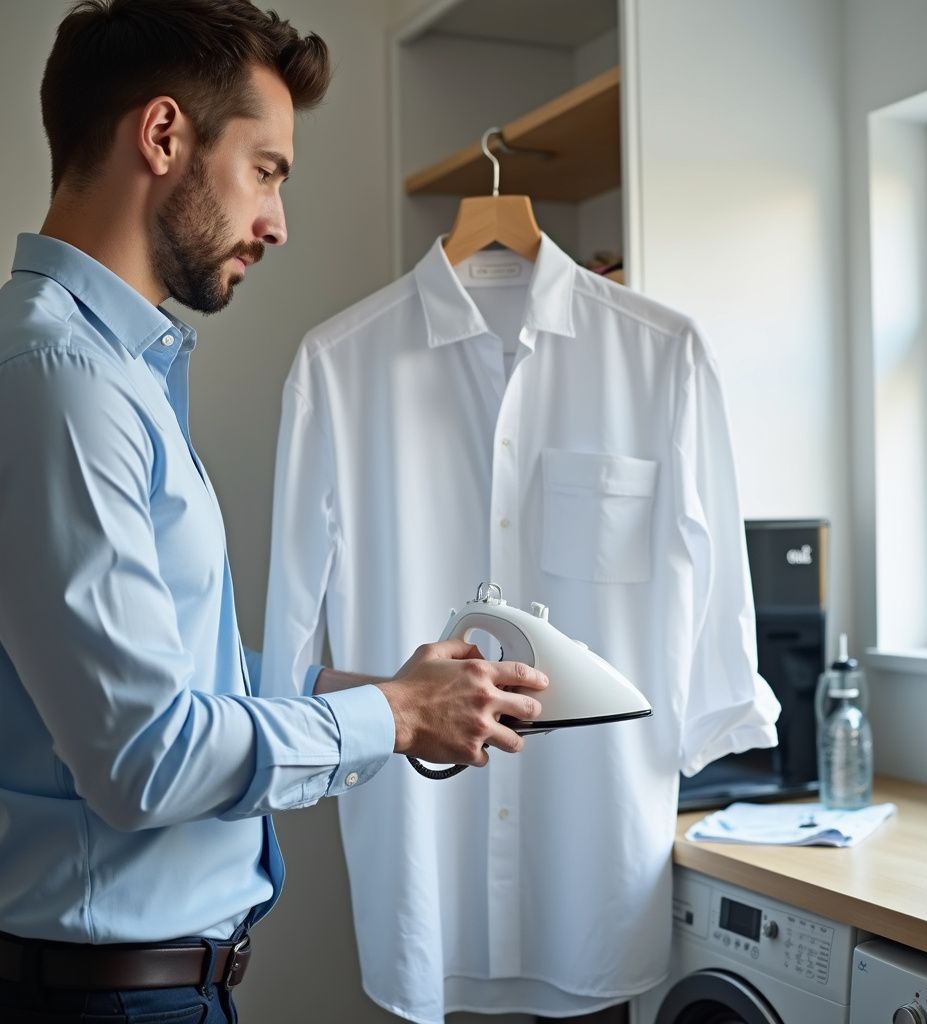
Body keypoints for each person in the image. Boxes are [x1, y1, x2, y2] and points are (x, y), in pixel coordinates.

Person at [0, 2, 548, 1021]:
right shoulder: (60, 380)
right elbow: (143, 758)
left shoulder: (108, 374)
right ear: (163, 136)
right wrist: (389, 716)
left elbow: (170, 677)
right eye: (267, 170)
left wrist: (393, 691)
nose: (277, 222)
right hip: (110, 1001)